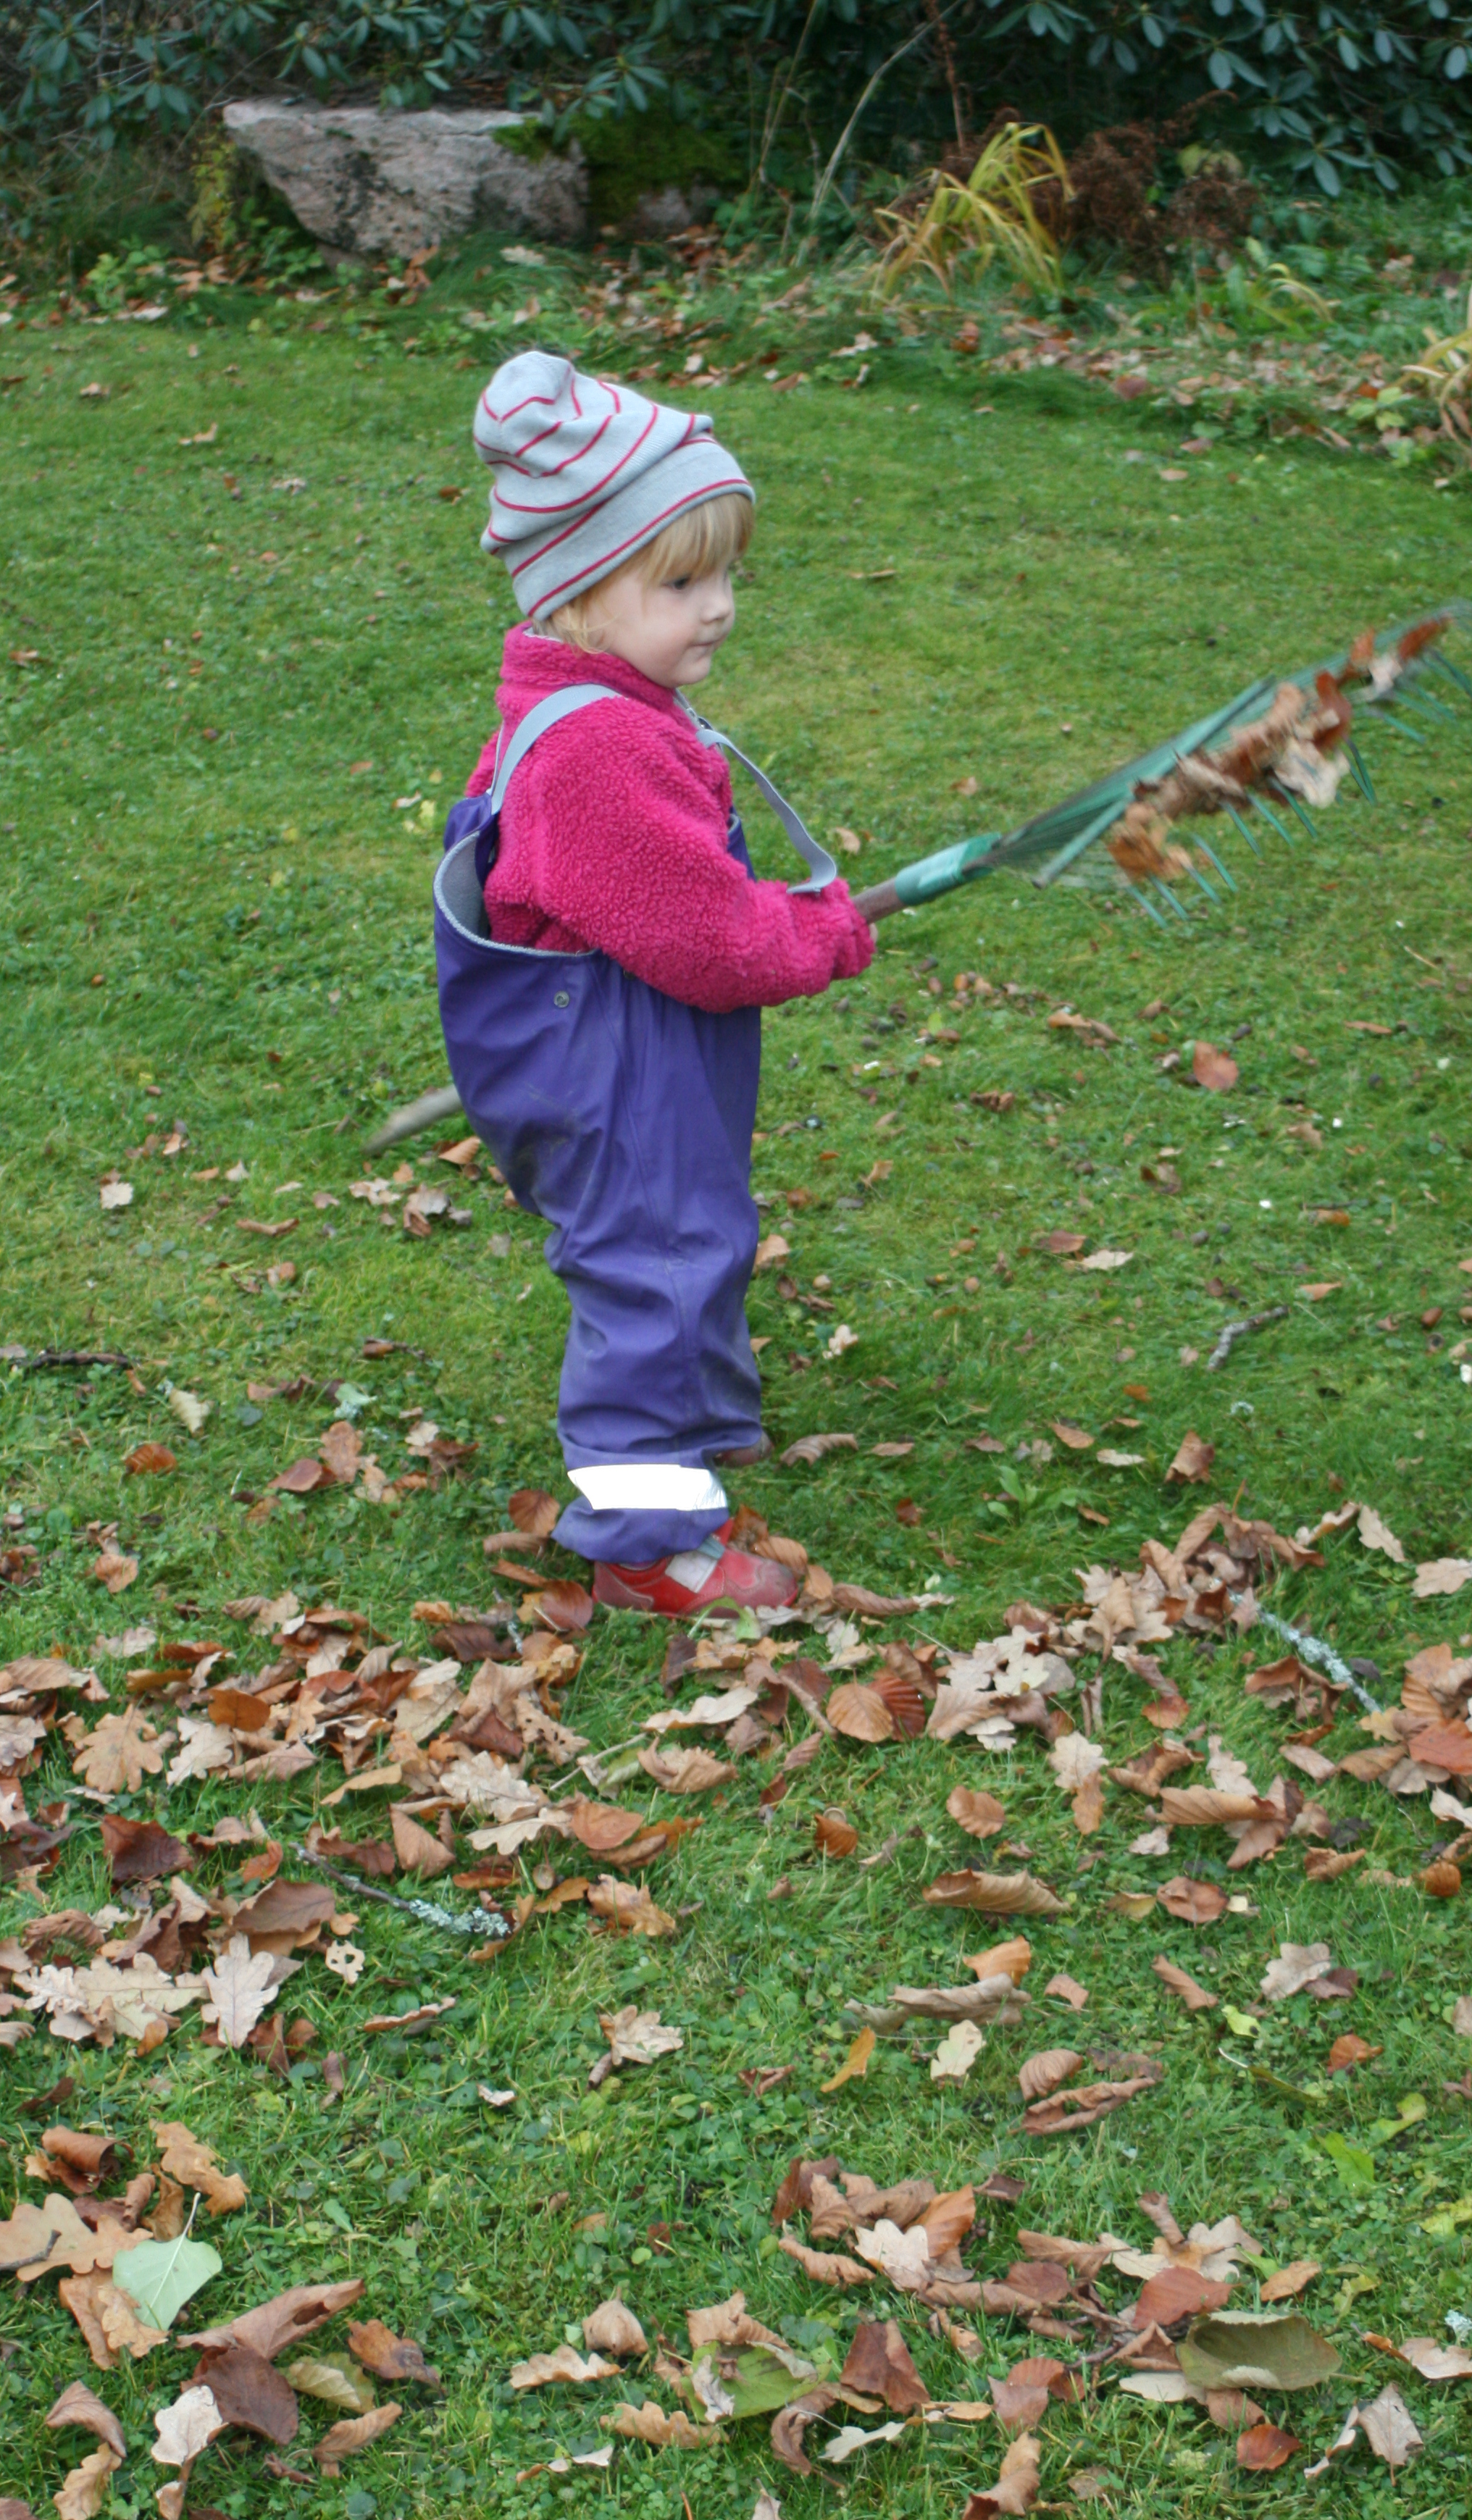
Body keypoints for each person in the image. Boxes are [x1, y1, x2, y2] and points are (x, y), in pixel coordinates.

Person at [435, 349, 874, 1616]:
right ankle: (644, 1543)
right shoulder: (598, 750)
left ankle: (701, 1419)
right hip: (613, 1075)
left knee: (692, 1240)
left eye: (726, 573)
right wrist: (819, 935)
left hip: (633, 1052)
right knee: (655, 1268)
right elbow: (710, 943)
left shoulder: (606, 700)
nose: (719, 606)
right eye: (682, 582)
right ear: (577, 593)